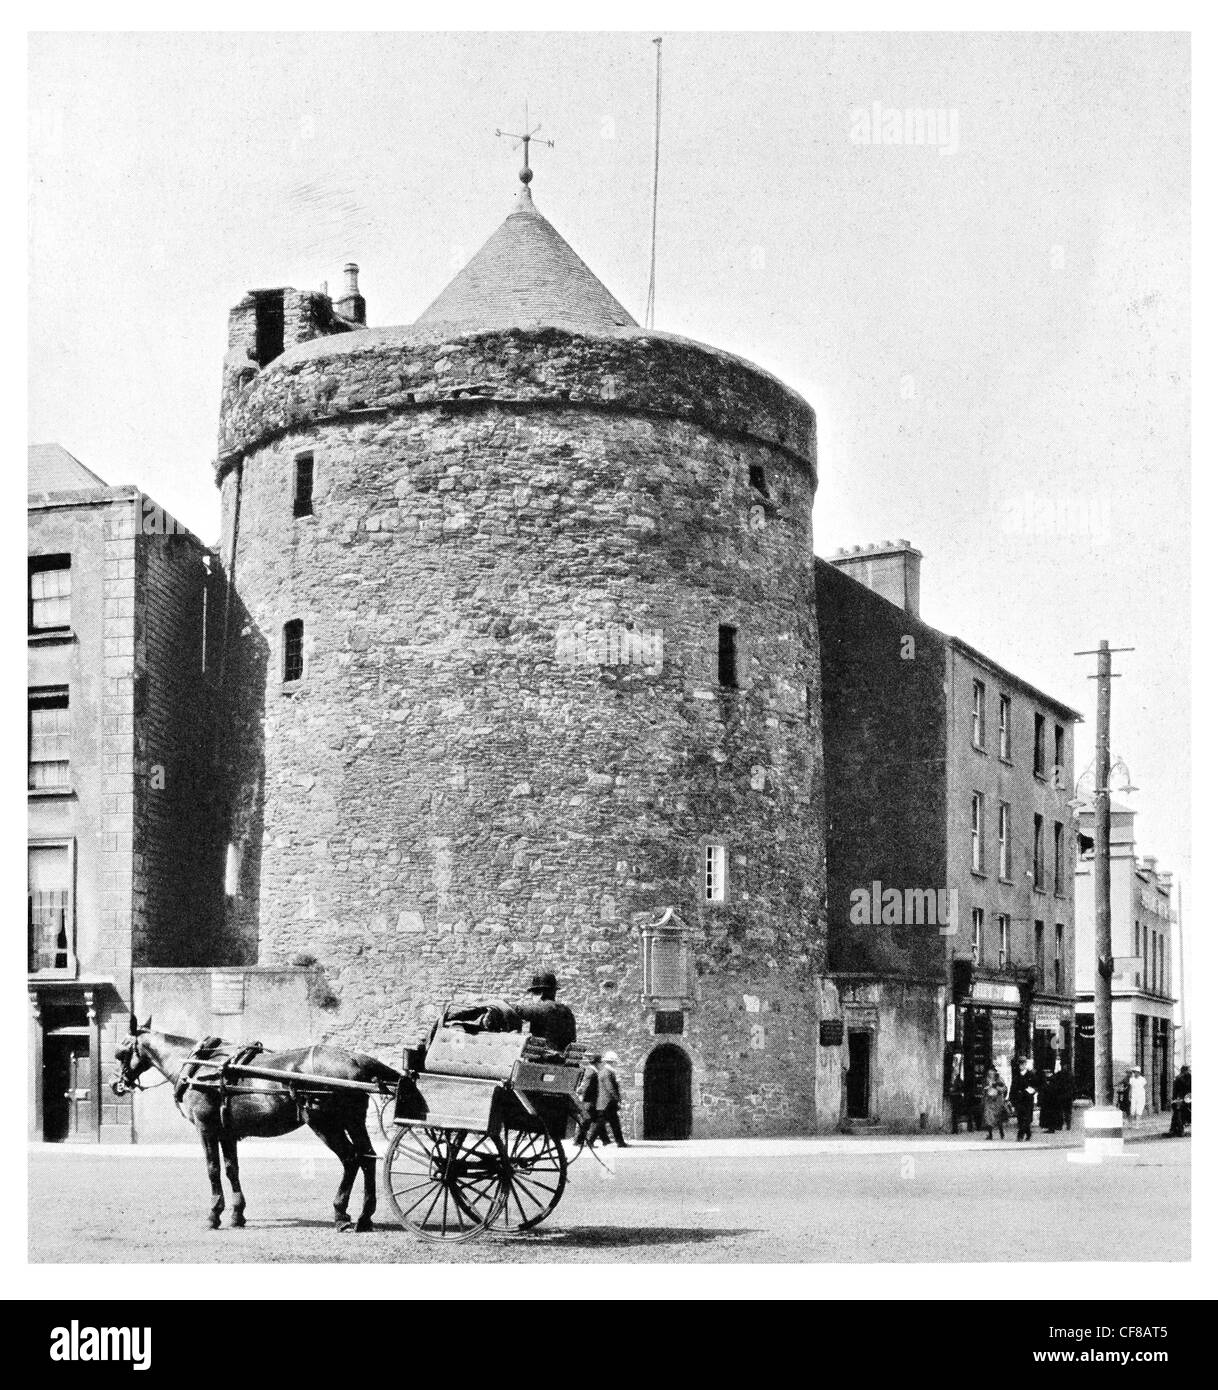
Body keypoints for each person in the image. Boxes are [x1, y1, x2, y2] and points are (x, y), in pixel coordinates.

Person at [513, 969, 577, 1054]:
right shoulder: (567, 1011)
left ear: (540, 993)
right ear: (554, 992)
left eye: (533, 993)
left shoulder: (540, 1008)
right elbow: (572, 1039)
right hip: (562, 1059)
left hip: (542, 1058)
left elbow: (517, 1011)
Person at [597, 1051, 629, 1147]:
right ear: (611, 1062)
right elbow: (610, 1088)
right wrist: (617, 1099)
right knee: (607, 1123)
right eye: (614, 1062)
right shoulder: (608, 1073)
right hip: (608, 1102)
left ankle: (616, 1141)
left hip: (605, 1102)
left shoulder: (603, 1071)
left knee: (609, 1123)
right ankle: (618, 1142)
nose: (615, 1064)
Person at [573, 1052, 604, 1148]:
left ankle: (579, 1141)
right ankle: (586, 1141)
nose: (601, 1065)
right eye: (600, 1063)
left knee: (587, 1121)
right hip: (590, 1101)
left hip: (590, 1101)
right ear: (597, 1063)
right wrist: (585, 1101)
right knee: (596, 1121)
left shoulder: (591, 1071)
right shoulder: (592, 1072)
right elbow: (587, 1087)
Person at [1011, 1056, 1038, 1141]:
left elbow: (1035, 1086)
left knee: (1027, 1118)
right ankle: (1028, 1133)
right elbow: (1013, 1088)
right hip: (1019, 1100)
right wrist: (1012, 1099)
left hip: (1027, 1099)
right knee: (1020, 1118)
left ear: (1026, 1064)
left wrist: (1031, 1091)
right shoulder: (1016, 1075)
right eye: (1020, 1064)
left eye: (1023, 1064)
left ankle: (1020, 1135)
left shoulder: (1031, 1074)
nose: (1021, 1066)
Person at [981, 1065, 1008, 1140]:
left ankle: (1001, 1132)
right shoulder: (986, 1080)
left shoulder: (999, 1079)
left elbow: (1004, 1089)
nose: (991, 1073)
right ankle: (990, 1134)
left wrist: (995, 1086)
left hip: (997, 1100)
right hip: (989, 1100)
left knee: (998, 1117)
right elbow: (983, 1089)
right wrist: (985, 1089)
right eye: (990, 1071)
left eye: (992, 1071)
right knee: (988, 1117)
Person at [1169, 1064, 1191, 1136]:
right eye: (1188, 1069)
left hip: (1180, 1097)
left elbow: (1175, 1090)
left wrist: (1174, 1099)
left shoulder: (1178, 1078)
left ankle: (1175, 1130)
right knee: (1180, 1113)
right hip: (1187, 1097)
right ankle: (1178, 1130)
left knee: (1177, 1113)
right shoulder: (1189, 1077)